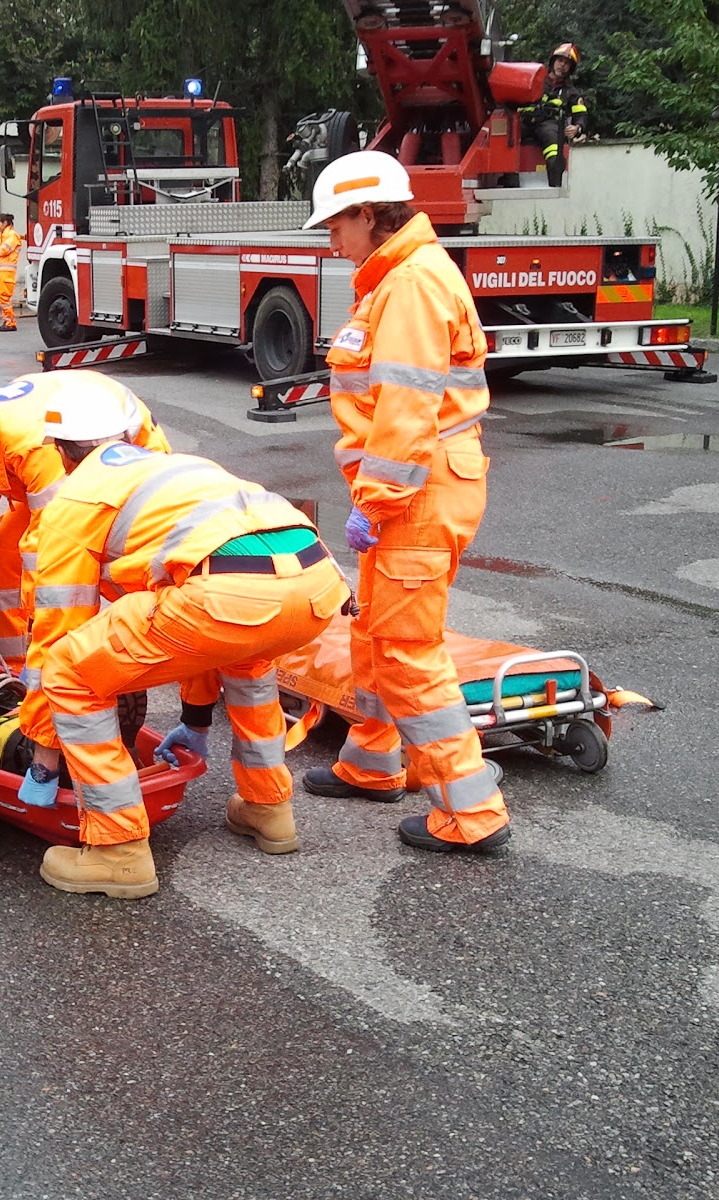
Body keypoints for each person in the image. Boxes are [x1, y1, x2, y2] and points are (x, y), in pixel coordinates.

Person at [15, 393, 349, 899]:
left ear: (62, 452)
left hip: (228, 594)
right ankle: (269, 808)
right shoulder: (178, 470)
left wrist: (44, 754)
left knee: (69, 672)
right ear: (128, 438)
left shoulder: (75, 501)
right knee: (247, 660)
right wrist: (194, 718)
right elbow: (196, 625)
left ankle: (117, 851)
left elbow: (58, 630)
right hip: (317, 581)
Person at [301, 150, 510, 853]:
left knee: (405, 649)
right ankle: (371, 761)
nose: (332, 241)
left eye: (336, 226)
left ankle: (470, 811)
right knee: (374, 632)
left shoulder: (412, 285)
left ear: (368, 213)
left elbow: (407, 412)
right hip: (414, 492)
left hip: (414, 495)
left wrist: (380, 500)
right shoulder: (399, 279)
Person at [0, 360, 170, 673]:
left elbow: (49, 545)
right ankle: (13, 671)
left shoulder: (31, 445)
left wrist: (39, 633)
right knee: (4, 552)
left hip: (123, 452)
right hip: (66, 457)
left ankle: (186, 636)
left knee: (111, 566)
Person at [519, 43, 588, 188]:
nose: (562, 66)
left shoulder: (571, 92)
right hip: (524, 121)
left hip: (548, 125)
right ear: (553, 61)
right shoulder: (534, 78)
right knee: (505, 137)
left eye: (566, 64)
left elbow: (581, 114)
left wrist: (577, 127)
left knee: (554, 151)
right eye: (560, 61)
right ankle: (508, 181)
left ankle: (555, 189)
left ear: (571, 69)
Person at [0, 213, 23, 332]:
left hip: (7, 271)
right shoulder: (2, 235)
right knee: (1, 296)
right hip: (1, 270)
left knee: (4, 297)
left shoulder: (12, 235)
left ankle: (10, 322)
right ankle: (7, 320)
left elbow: (3, 250)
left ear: (5, 223)